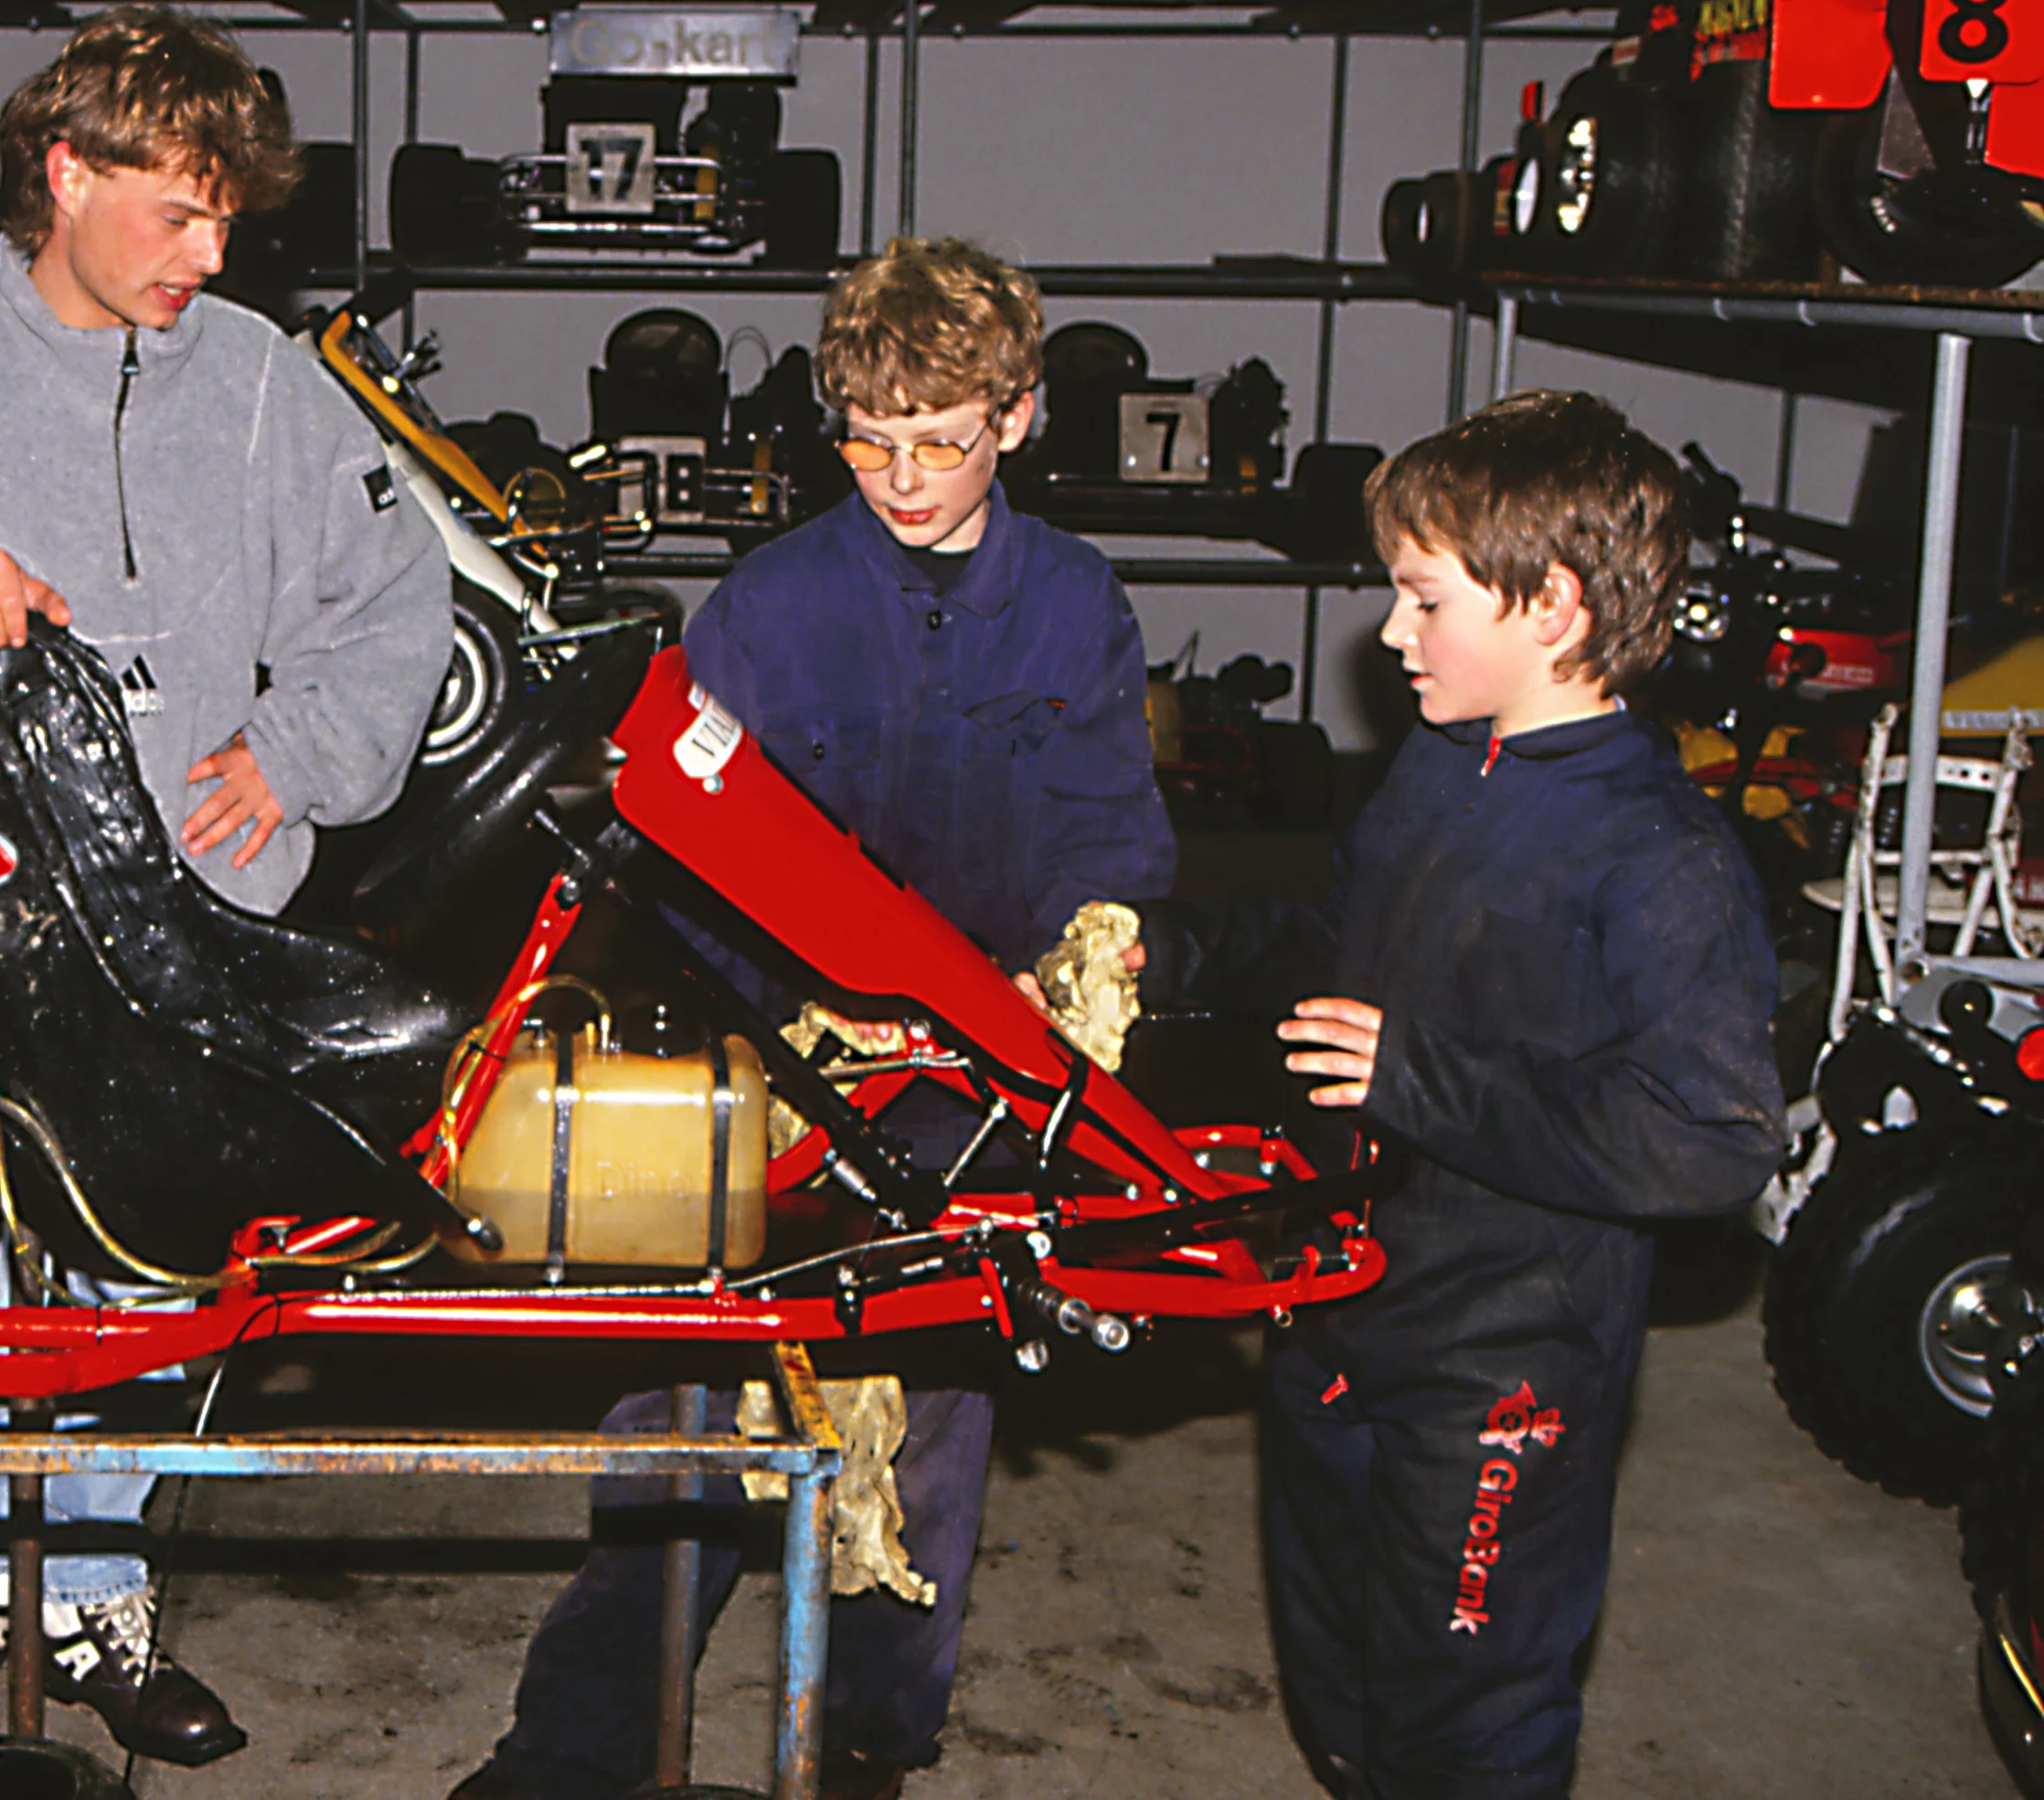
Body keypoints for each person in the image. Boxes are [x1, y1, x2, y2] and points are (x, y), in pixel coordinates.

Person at [0, 5, 450, 1763]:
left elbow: (397, 599)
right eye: (180, 212)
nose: (210, 256)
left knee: (152, 1273)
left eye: (227, 219)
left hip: (193, 921)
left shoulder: (264, 382)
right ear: (66, 175)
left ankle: (94, 1584)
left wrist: (299, 750)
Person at [454, 237, 1176, 1800]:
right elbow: (684, 852)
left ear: (1019, 416)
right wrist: (752, 1018)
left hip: (978, 1063)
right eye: (869, 441)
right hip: (776, 1048)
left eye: (942, 442)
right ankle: (572, 1746)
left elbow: (1104, 836)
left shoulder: (1074, 606)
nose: (903, 477)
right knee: (684, 1401)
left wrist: (1086, 962)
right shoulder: (770, 606)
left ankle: (867, 1744)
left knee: (927, 1424)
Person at [1137, 391, 1786, 1798]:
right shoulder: (1441, 763)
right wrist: (1166, 951)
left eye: (1425, 598)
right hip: (1339, 1301)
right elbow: (1338, 944)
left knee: (1467, 1711)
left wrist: (1418, 1075)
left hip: (1506, 1357)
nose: (1391, 632)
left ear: (1552, 606)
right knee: (1341, 1680)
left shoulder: (1661, 857)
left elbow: (1714, 1136)